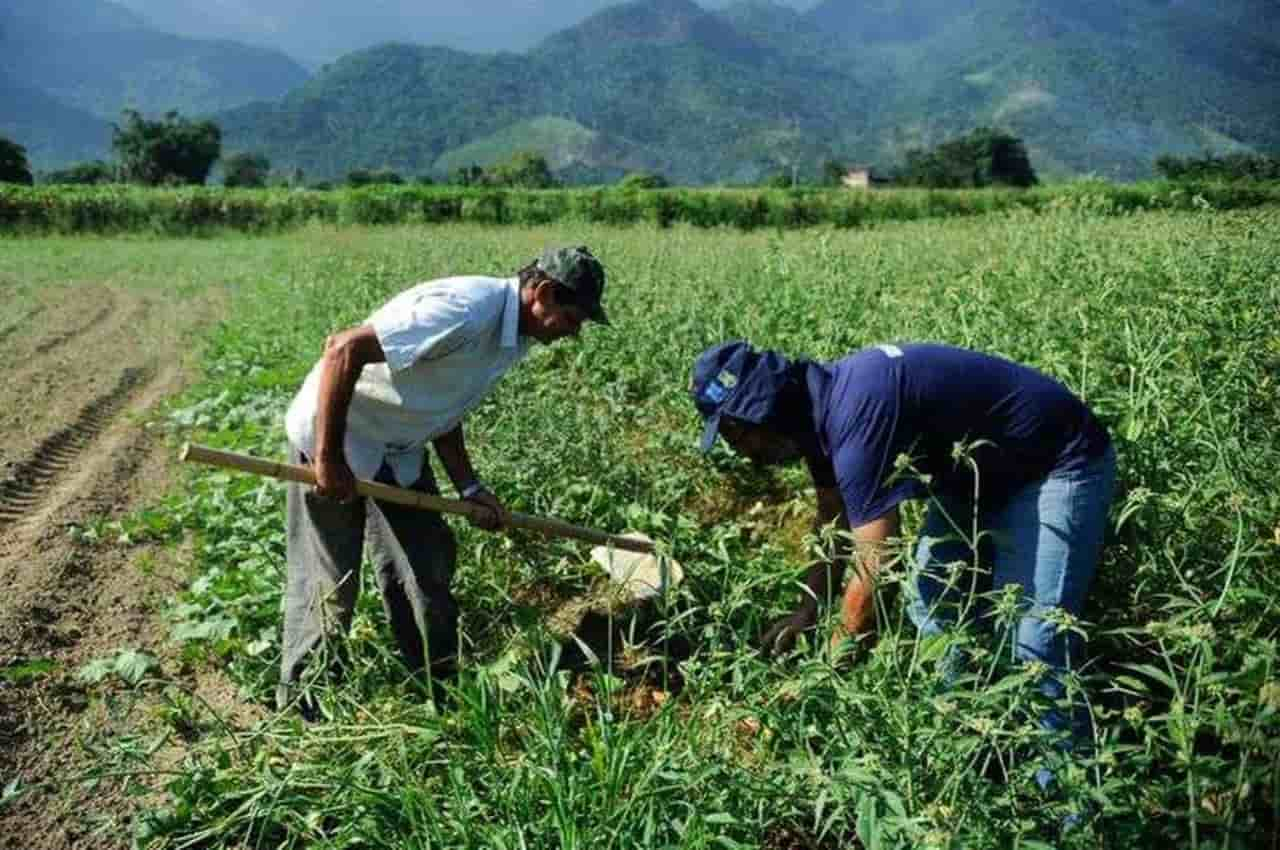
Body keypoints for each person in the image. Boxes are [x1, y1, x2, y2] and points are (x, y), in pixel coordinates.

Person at [689, 340, 1116, 765]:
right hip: (973, 475)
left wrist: (817, 681)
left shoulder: (856, 413)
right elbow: (833, 519)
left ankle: (1065, 809)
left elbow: (876, 566)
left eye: (733, 434)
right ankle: (968, 748)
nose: (739, 451)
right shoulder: (814, 415)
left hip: (1056, 462)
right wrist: (808, 609)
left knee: (1033, 644)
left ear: (761, 412)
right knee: (934, 603)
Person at [278, 246, 608, 715]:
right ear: (545, 294)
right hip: (336, 437)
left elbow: (444, 405)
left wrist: (470, 487)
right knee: (331, 585)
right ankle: (303, 710)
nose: (575, 333)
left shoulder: (512, 338)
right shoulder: (466, 311)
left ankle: (438, 690)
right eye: (573, 318)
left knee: (426, 565)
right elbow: (343, 348)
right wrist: (328, 459)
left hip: (398, 447)